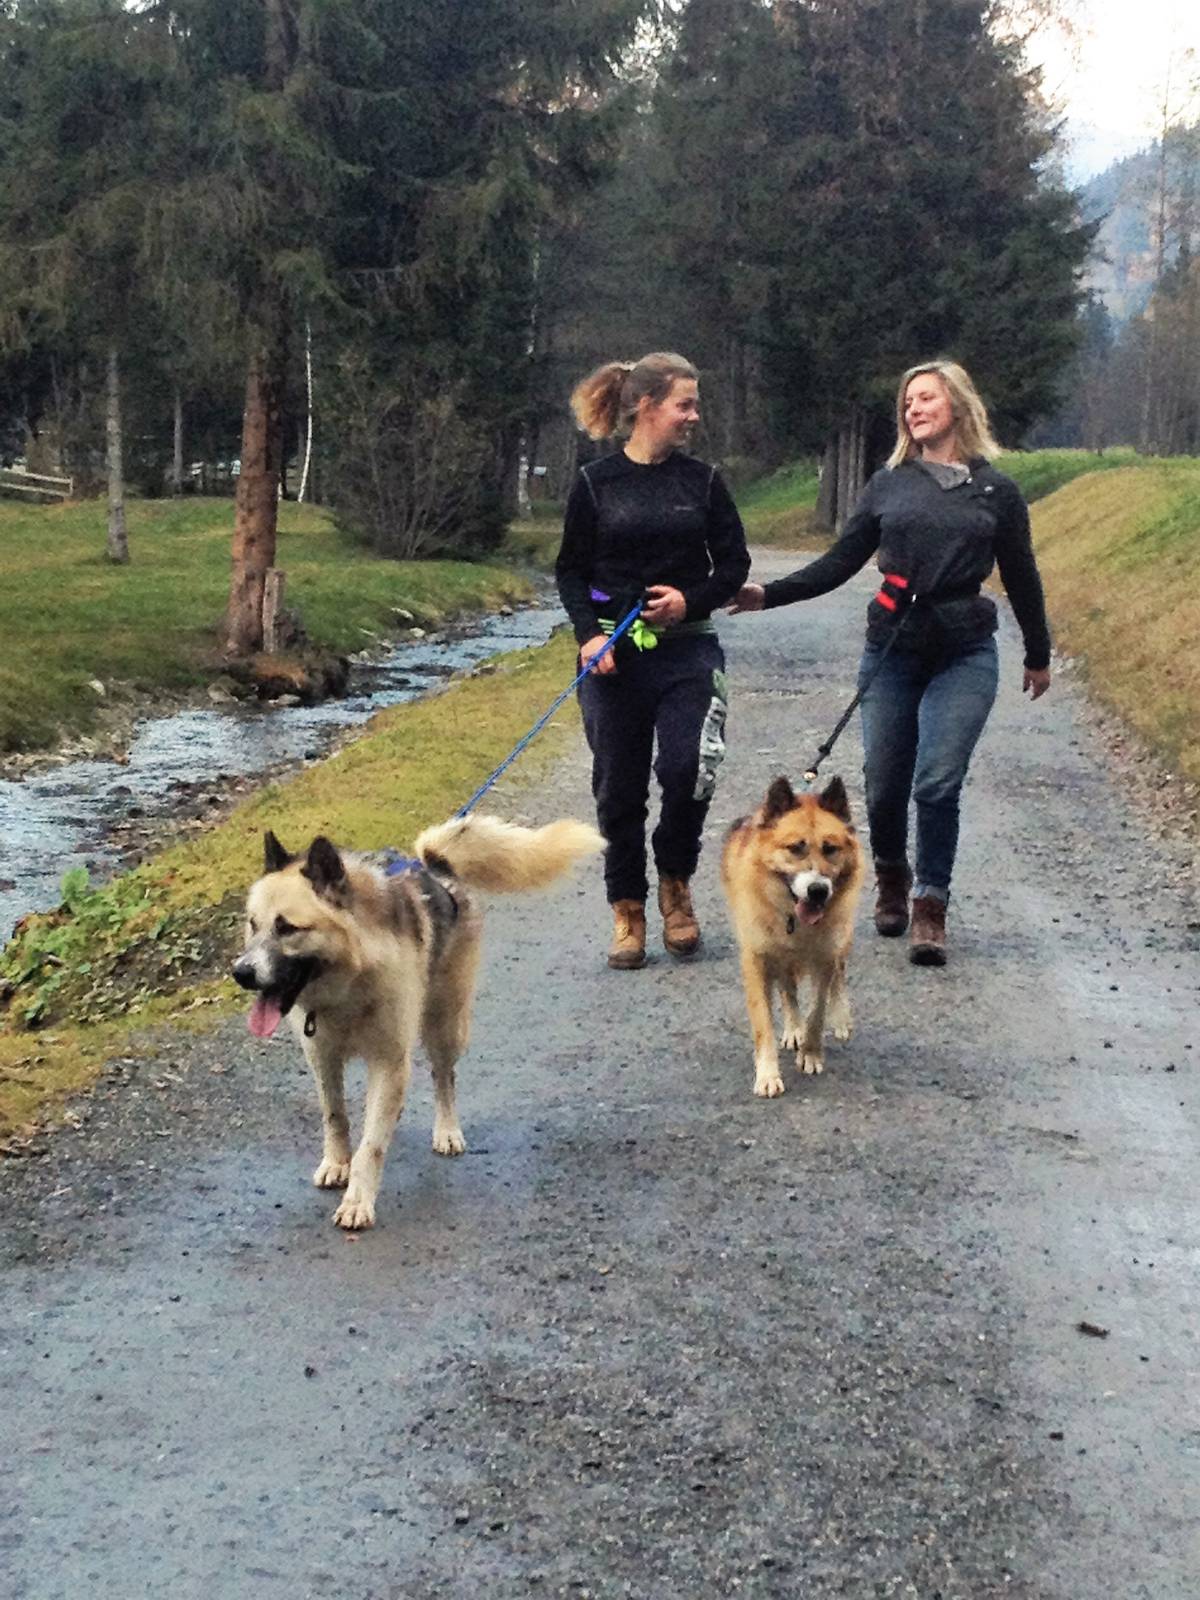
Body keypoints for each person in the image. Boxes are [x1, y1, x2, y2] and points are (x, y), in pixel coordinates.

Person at [729, 358, 1051, 966]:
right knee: (883, 787)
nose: (914, 409)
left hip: (965, 651)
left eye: (925, 398)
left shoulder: (997, 491)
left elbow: (1022, 573)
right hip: (892, 651)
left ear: (955, 403)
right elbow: (840, 562)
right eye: (907, 402)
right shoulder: (888, 483)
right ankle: (892, 877)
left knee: (937, 780)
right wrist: (767, 594)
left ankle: (931, 904)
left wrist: (1038, 653)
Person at [556, 352, 751, 970]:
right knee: (618, 787)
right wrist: (589, 636)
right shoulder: (595, 482)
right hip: (614, 656)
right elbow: (570, 571)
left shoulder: (704, 481)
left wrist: (690, 599)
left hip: (689, 649)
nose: (694, 416)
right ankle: (627, 910)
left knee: (688, 768)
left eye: (695, 404)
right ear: (645, 406)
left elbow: (735, 566)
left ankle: (675, 885)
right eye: (684, 404)